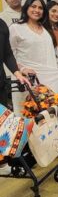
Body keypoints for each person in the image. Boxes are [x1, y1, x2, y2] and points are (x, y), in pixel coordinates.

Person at [9, 0, 58, 115]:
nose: (37, 10)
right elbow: (10, 55)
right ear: (26, 8)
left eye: (40, 8)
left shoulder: (45, 28)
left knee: (49, 114)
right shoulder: (16, 28)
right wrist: (23, 69)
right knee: (29, 115)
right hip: (28, 80)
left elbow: (55, 50)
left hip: (48, 79)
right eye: (33, 6)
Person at [0, 17, 30, 174]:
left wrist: (18, 73)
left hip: (0, 84)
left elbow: (7, 54)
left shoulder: (1, 24)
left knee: (2, 125)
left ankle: (3, 164)